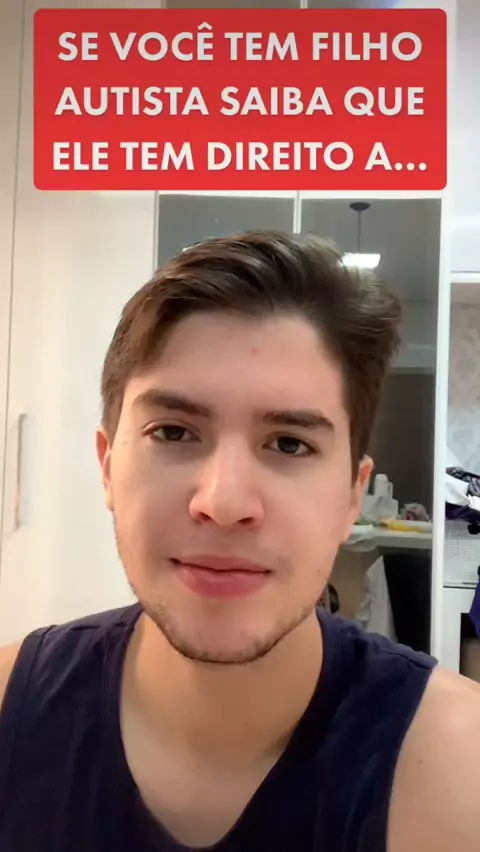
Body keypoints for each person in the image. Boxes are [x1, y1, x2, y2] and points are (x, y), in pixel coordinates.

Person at [0, 230, 479, 852]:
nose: (223, 503)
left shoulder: (459, 771)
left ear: (351, 496)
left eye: (289, 444)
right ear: (108, 467)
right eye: (174, 432)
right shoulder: (12, 711)